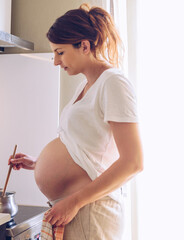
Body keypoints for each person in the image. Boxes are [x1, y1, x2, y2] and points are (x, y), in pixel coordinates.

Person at [8, 3, 143, 240]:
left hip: (90, 210)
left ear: (84, 46)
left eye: (60, 52)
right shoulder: (87, 85)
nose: (55, 62)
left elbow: (133, 162)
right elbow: (86, 149)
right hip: (78, 209)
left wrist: (74, 202)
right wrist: (38, 163)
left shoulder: (113, 83)